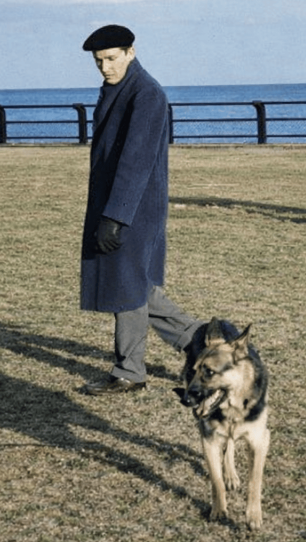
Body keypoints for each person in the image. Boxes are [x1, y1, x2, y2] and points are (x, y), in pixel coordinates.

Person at [79, 24, 203, 395]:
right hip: (122, 206)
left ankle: (130, 371)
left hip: (132, 210)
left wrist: (115, 217)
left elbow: (136, 161)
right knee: (136, 287)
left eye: (112, 58)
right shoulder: (119, 88)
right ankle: (200, 341)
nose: (104, 67)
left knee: (128, 287)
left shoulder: (146, 94)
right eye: (99, 61)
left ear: (131, 52)